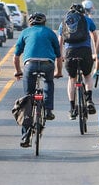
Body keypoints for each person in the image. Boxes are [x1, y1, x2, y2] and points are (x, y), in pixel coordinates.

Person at [12, 12, 62, 148]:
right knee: (48, 82)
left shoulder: (25, 32)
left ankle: (25, 136)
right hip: (47, 64)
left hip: (30, 64)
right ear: (44, 22)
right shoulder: (50, 33)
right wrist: (59, 72)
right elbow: (59, 56)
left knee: (28, 98)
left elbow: (16, 57)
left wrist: (18, 71)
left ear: (30, 22)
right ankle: (48, 110)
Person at [59, 3, 97, 119]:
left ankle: (72, 108)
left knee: (72, 78)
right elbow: (95, 36)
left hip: (70, 52)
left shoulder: (65, 21)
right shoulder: (87, 20)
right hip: (85, 51)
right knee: (87, 75)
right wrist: (95, 52)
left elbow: (60, 40)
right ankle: (89, 99)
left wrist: (61, 55)